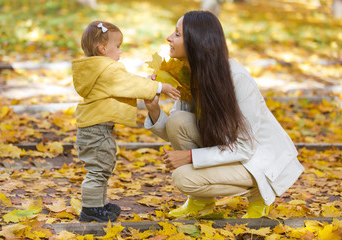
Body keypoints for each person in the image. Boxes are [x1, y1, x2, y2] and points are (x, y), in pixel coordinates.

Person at [144, 11, 304, 218]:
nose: (169, 38)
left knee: (183, 177)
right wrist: (153, 108)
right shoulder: (190, 75)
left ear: (196, 41)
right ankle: (201, 203)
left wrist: (190, 157)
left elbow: (246, 147)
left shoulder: (236, 78)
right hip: (226, 148)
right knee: (178, 120)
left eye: (177, 34)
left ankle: (258, 196)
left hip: (256, 159)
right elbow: (175, 130)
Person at [73, 20, 180, 222]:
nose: (120, 52)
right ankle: (90, 208)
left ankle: (98, 204)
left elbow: (127, 84)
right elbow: (128, 83)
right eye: (118, 46)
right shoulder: (107, 70)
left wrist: (148, 84)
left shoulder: (98, 70)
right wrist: (159, 87)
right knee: (98, 170)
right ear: (102, 48)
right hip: (96, 130)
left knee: (102, 166)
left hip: (95, 128)